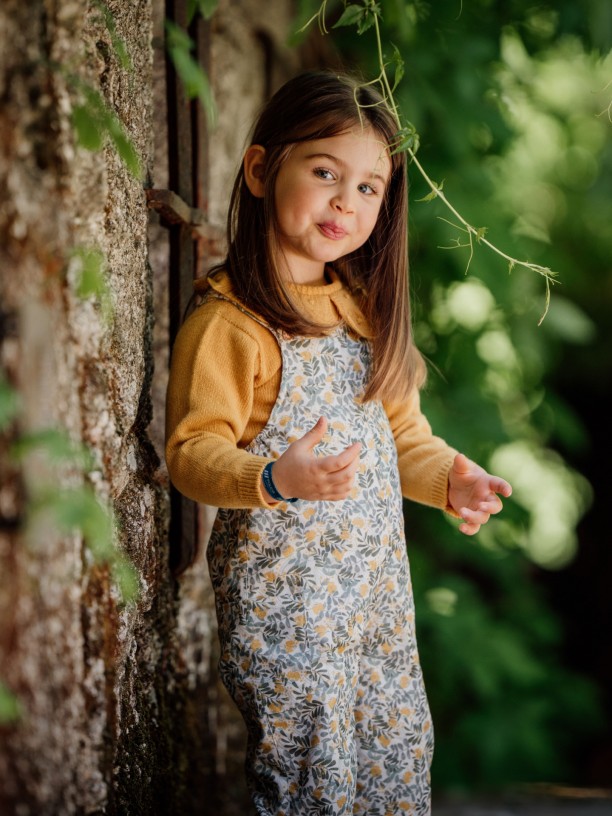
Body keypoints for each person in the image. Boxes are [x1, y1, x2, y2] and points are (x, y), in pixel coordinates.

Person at [165, 70, 512, 816]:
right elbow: (192, 450)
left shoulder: (362, 313)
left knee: (394, 761)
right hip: (287, 608)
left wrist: (452, 478)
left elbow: (402, 437)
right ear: (262, 170)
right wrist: (275, 477)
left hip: (375, 603)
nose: (344, 202)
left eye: (367, 188)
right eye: (324, 173)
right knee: (313, 779)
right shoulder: (233, 323)